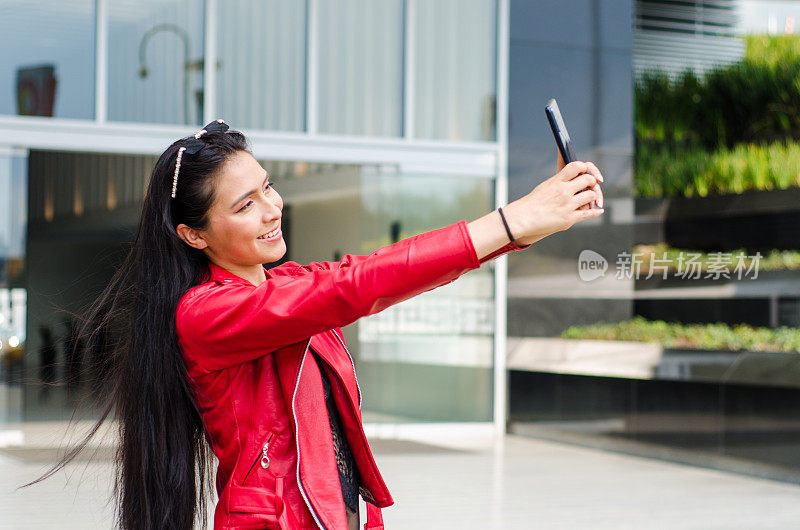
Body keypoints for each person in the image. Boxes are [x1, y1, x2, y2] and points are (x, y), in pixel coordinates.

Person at [28, 119, 604, 530]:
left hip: (339, 513)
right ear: (193, 234)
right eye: (244, 204)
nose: (272, 208)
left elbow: (393, 274)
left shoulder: (283, 284)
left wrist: (537, 223)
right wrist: (513, 218)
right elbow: (358, 285)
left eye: (268, 187)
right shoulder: (206, 313)